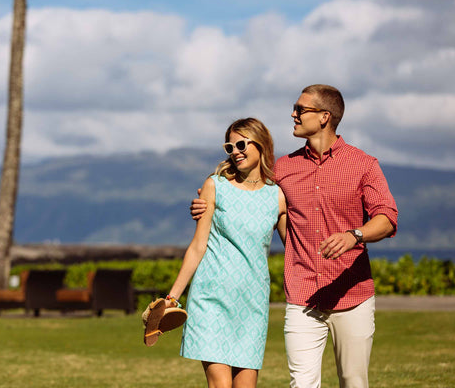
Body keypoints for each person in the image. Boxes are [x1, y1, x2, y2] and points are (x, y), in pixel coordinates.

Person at [191, 85, 398, 388]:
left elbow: (388, 217)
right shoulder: (283, 168)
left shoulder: (363, 164)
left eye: (301, 109)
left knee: (353, 381)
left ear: (324, 116)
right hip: (303, 296)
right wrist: (207, 200)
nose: (293, 114)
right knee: (302, 383)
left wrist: (355, 235)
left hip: (352, 295)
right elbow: (249, 189)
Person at [166, 117, 287, 388]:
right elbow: (198, 246)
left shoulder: (277, 196)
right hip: (211, 298)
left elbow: (294, 249)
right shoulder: (214, 185)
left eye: (242, 144)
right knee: (220, 385)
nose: (236, 152)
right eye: (229, 147)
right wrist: (172, 297)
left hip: (252, 302)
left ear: (262, 145)